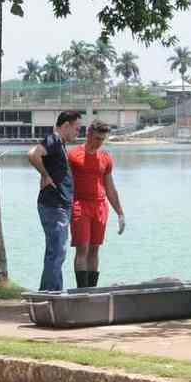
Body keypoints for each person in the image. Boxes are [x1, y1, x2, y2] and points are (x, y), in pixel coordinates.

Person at [28, 111, 82, 291]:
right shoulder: (55, 139)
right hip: (54, 205)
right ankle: (51, 293)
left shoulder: (60, 145)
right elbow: (33, 154)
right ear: (65, 125)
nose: (78, 133)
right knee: (57, 251)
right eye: (76, 128)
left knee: (57, 251)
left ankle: (52, 291)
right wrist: (45, 175)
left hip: (59, 205)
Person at [67, 119, 125, 288]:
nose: (99, 142)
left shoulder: (105, 158)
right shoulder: (73, 155)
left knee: (94, 249)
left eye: (102, 139)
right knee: (82, 249)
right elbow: (65, 183)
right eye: (96, 138)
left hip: (100, 207)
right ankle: (81, 291)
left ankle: (92, 290)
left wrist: (120, 213)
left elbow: (110, 187)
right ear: (88, 135)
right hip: (79, 205)